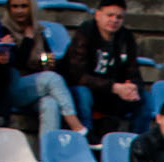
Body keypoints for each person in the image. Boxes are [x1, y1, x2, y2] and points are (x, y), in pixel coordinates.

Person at [60, 0, 145, 135]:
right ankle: (86, 138)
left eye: (119, 17)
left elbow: (134, 72)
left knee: (145, 99)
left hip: (111, 92)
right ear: (98, 15)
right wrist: (114, 87)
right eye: (109, 15)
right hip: (85, 88)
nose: (114, 20)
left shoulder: (126, 37)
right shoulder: (86, 32)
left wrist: (133, 86)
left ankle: (138, 143)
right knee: (83, 94)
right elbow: (77, 75)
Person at [3, 0, 85, 138]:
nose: (19, 11)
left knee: (51, 104)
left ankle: (48, 153)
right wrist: (28, 40)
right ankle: (76, 126)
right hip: (13, 87)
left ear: (31, 8)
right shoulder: (4, 31)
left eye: (24, 6)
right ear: (9, 9)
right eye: (14, 6)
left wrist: (47, 62)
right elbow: (17, 62)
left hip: (35, 88)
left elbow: (45, 59)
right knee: (52, 78)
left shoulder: (38, 32)